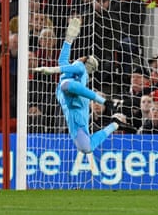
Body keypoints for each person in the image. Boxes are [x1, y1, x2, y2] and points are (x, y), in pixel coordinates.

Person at [33, 18, 137, 154]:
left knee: (66, 85)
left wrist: (52, 69)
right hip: (74, 112)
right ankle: (115, 124)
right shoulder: (72, 69)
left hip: (74, 98)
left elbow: (63, 67)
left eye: (84, 57)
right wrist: (68, 40)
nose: (80, 57)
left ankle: (105, 101)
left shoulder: (80, 67)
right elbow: (62, 61)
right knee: (86, 148)